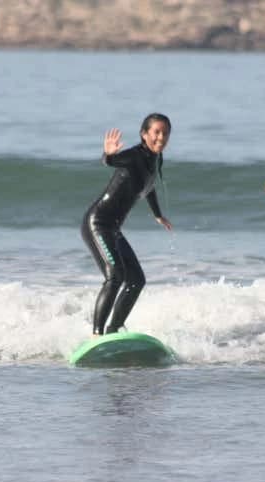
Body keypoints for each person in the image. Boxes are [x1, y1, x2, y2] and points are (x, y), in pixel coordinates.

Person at [81, 113, 173, 335]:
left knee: (136, 280)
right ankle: (96, 334)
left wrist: (158, 215)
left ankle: (113, 330)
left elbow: (148, 186)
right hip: (98, 223)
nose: (161, 137)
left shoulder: (156, 158)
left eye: (165, 133)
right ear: (144, 134)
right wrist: (108, 154)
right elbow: (111, 161)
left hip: (113, 228)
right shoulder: (134, 156)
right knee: (115, 277)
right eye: (156, 132)